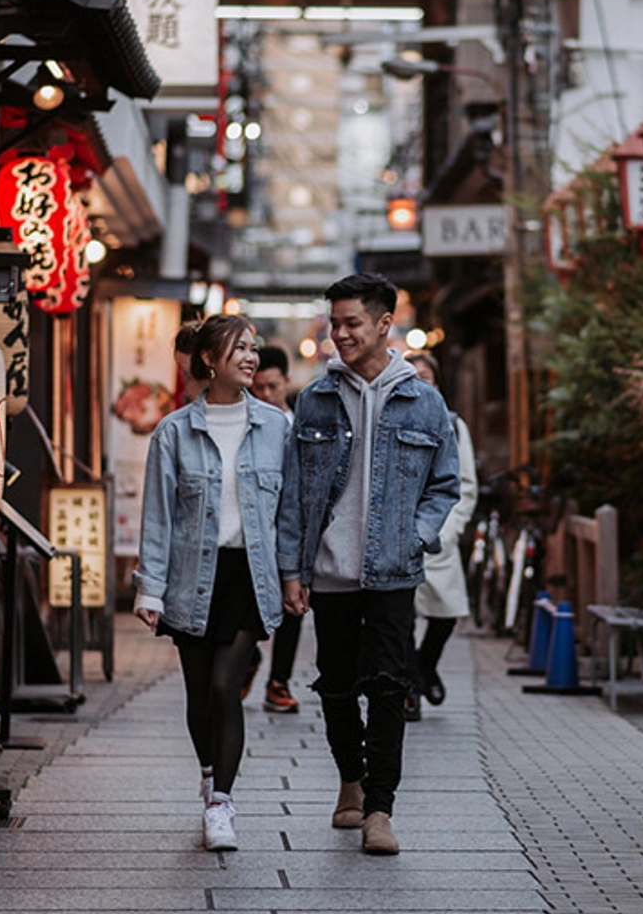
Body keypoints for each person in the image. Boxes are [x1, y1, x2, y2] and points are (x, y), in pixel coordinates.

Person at [278, 273, 459, 855]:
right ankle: (349, 781)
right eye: (335, 324)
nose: (340, 334)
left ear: (385, 324)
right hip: (328, 570)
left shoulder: (425, 401)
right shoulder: (315, 397)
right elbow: (293, 492)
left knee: (387, 687)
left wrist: (416, 535)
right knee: (334, 686)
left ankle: (380, 808)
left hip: (393, 571)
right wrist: (292, 568)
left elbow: (445, 485)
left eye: (352, 323)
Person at [134, 314, 289, 852]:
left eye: (253, 348)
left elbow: (287, 515)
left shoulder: (276, 428)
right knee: (198, 693)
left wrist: (294, 577)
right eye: (239, 348)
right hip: (190, 575)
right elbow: (158, 517)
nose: (251, 357)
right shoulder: (174, 431)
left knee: (227, 686)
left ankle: (221, 803)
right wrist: (149, 588)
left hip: (250, 573)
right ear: (208, 359)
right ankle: (208, 770)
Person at [401, 351, 479, 722]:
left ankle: (424, 666)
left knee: (445, 615)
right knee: (401, 618)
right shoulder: (392, 416)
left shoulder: (451, 423)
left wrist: (450, 530)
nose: (420, 381)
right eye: (412, 375)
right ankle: (410, 689)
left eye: (426, 376)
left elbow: (465, 484)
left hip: (439, 536)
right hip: (399, 538)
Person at [251, 346, 302, 714]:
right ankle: (247, 659)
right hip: (255, 530)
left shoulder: (301, 426)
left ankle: (278, 682)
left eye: (271, 386)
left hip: (292, 529)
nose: (265, 395)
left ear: (286, 381)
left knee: (293, 607)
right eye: (258, 389)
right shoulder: (248, 424)